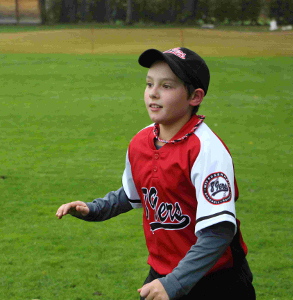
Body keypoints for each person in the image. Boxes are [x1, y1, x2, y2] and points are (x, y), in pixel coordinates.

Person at [56, 47, 256, 300]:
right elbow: (134, 193)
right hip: (163, 274)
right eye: (149, 84)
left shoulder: (206, 150)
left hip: (216, 281)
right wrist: (94, 208)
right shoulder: (140, 141)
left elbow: (218, 232)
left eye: (167, 86)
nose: (153, 92)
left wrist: (174, 283)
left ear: (195, 96)